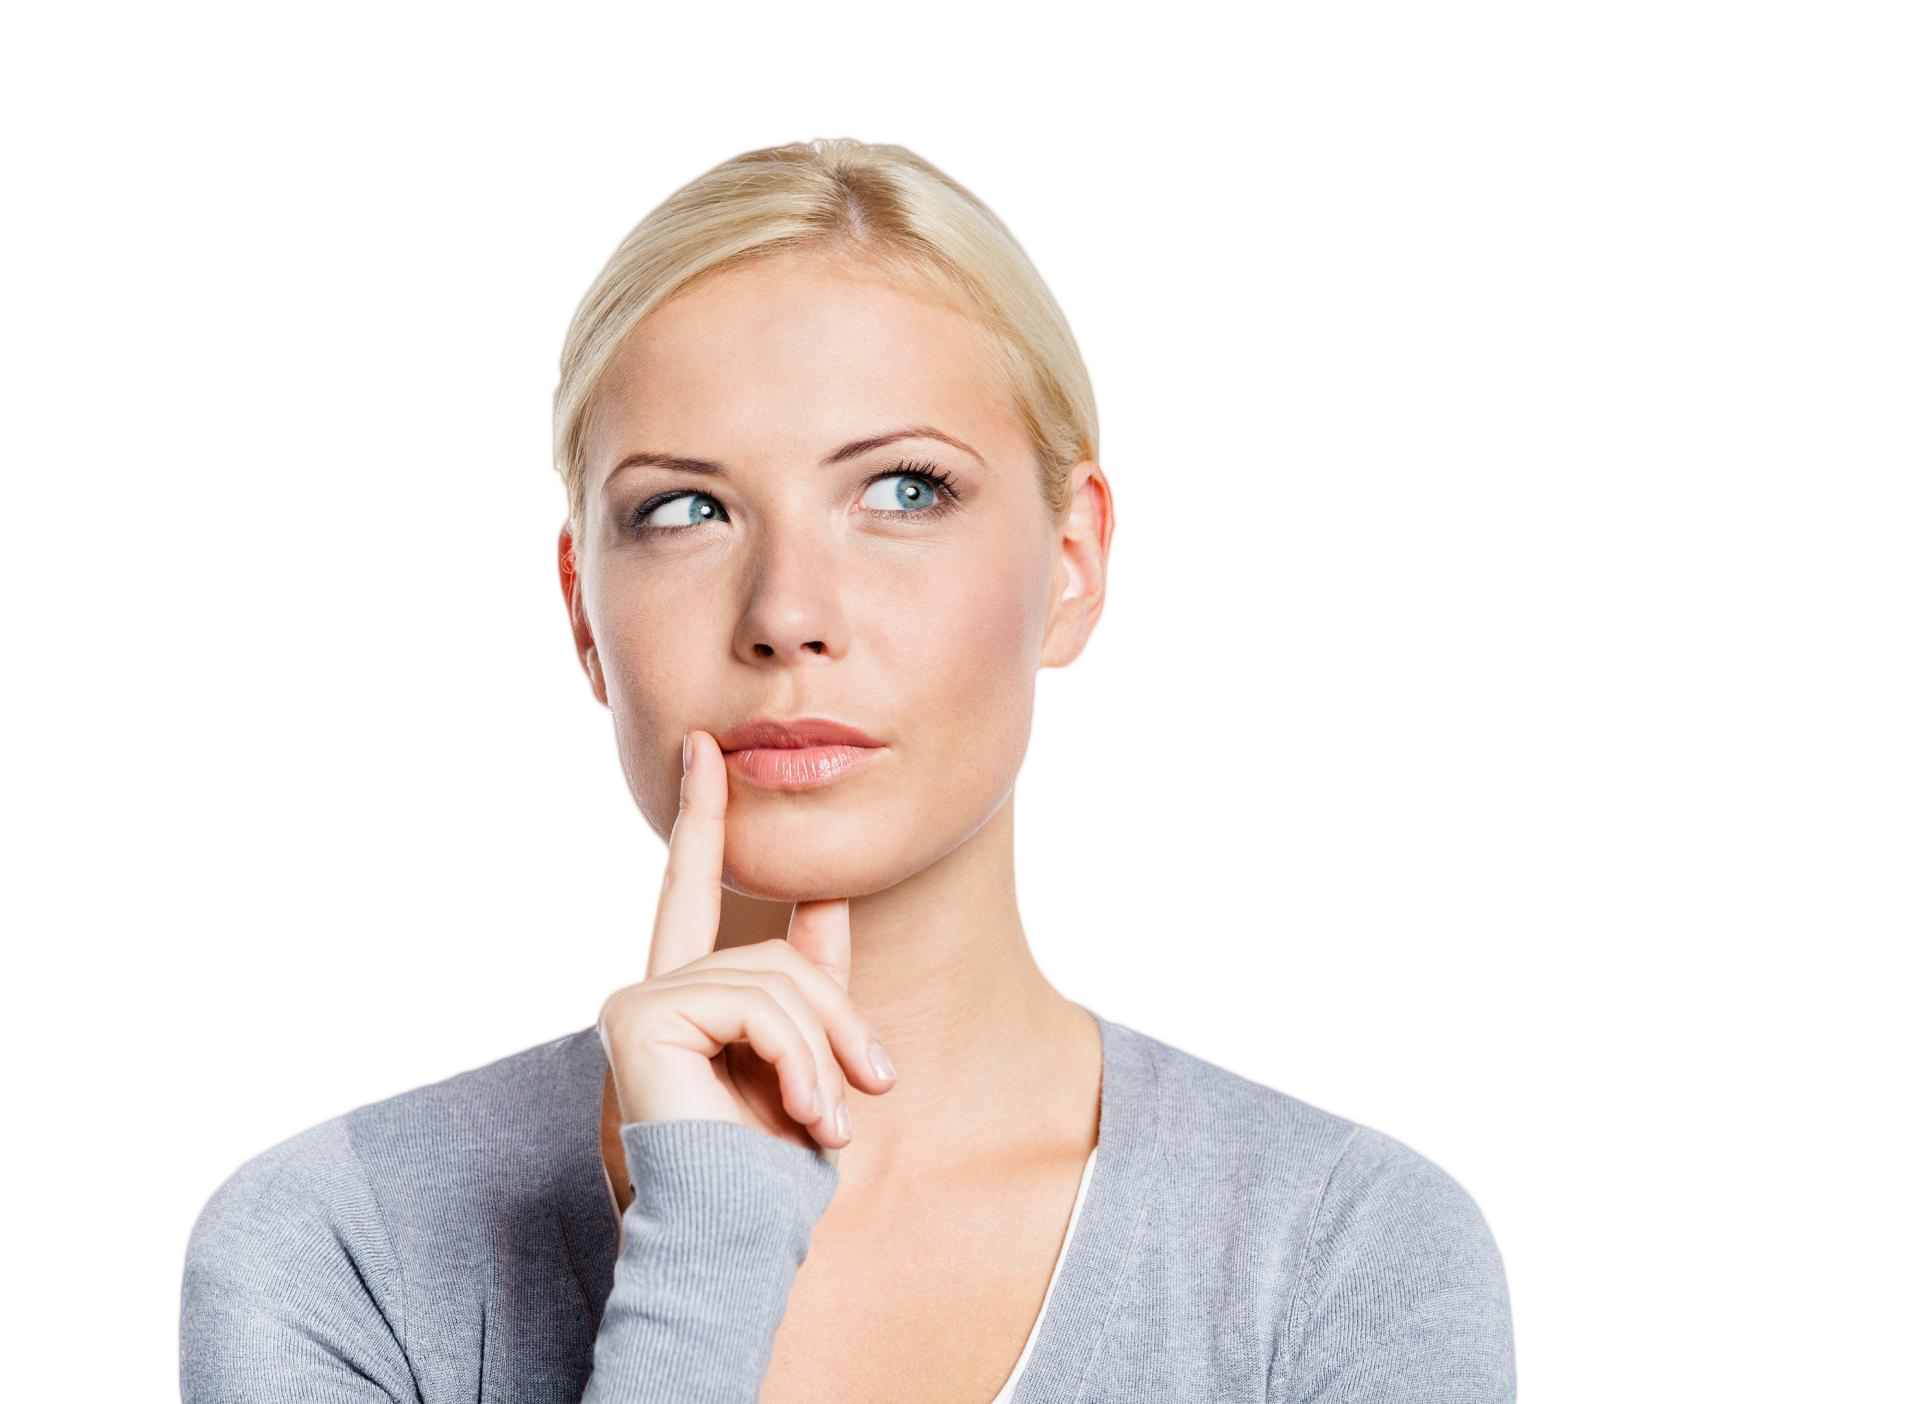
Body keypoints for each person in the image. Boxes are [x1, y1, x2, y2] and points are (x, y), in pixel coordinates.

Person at [176, 134, 1521, 1402]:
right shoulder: (337, 1244)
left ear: (1074, 564)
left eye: (904, 490)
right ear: (584, 615)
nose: (787, 614)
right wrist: (710, 1241)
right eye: (685, 509)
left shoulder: (1346, 1246)